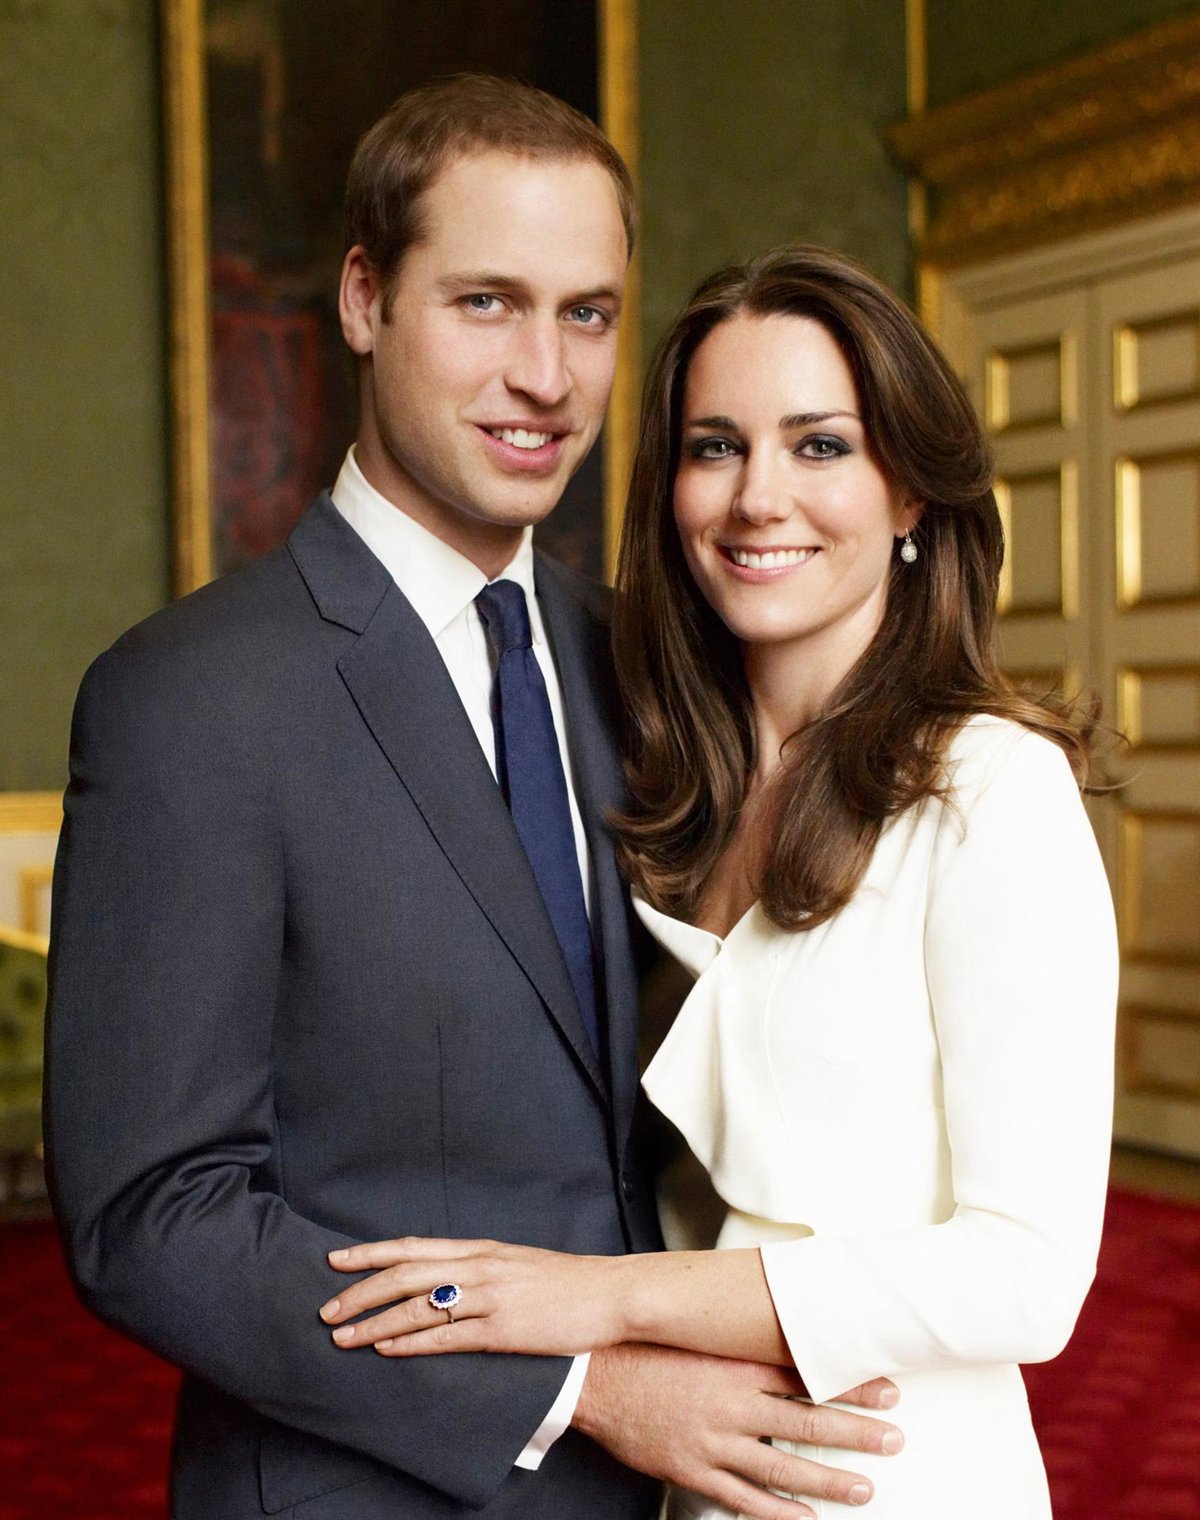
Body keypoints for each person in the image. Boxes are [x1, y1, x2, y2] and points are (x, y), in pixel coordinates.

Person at [44, 87, 900, 1520]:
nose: (546, 376)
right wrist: (582, 1387)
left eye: (586, 314)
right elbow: (155, 1216)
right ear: (364, 298)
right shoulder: (190, 700)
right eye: (488, 302)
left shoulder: (647, 662)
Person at [314, 245, 1120, 1519]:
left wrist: (591, 1297)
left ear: (908, 491)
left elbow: (1028, 1275)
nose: (757, 498)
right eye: (715, 447)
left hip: (899, 1478)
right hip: (686, 1473)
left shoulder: (990, 789)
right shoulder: (656, 785)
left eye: (819, 445)